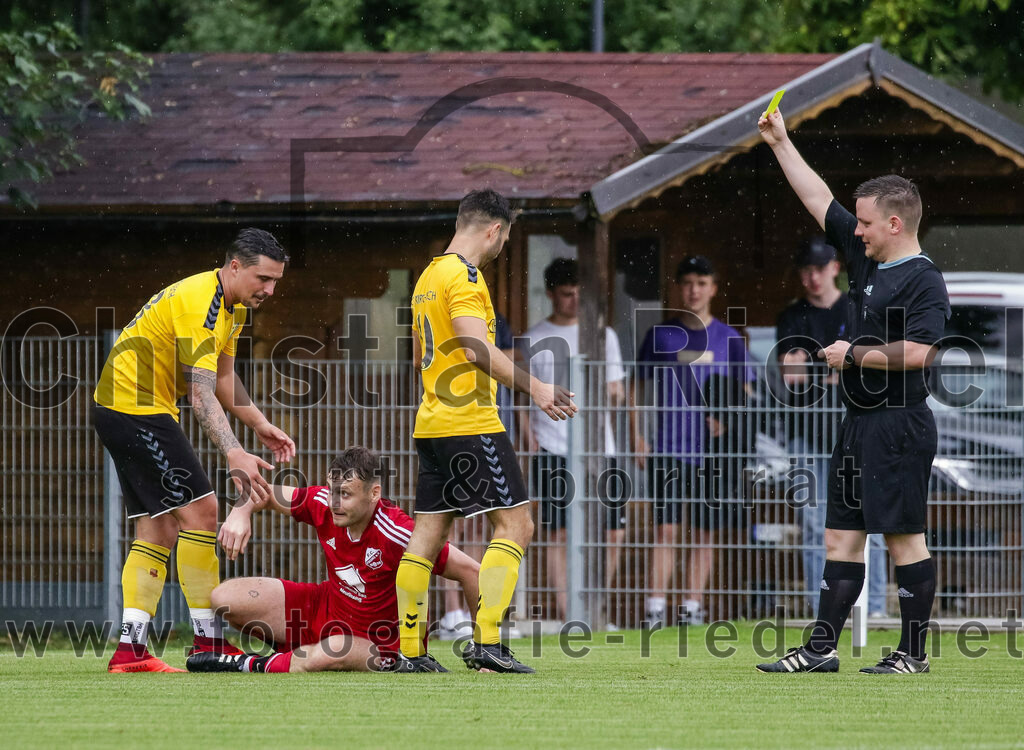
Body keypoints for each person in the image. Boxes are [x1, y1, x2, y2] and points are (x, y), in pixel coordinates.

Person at [756, 109, 949, 674]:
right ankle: (820, 651)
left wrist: (853, 355)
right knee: (840, 537)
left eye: (865, 223)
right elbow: (818, 198)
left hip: (900, 424)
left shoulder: (923, 279)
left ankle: (912, 655)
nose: (855, 231)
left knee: (903, 540)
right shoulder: (868, 261)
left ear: (894, 223)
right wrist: (781, 143)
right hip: (859, 424)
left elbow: (921, 352)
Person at [93, 228, 296, 672]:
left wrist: (259, 426)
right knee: (204, 509)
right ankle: (209, 642)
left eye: (276, 281)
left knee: (158, 530)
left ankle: (131, 652)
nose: (270, 289)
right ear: (235, 266)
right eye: (263, 278)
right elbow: (200, 395)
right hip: (134, 407)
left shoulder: (233, 308)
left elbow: (223, 379)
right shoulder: (201, 301)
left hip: (128, 407)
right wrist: (234, 452)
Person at [397, 188, 577, 673]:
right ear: (495, 230)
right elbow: (477, 348)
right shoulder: (466, 277)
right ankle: (489, 644)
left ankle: (410, 651)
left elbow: (419, 357)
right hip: (470, 422)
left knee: (428, 536)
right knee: (516, 524)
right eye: (506, 236)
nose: (503, 246)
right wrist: (534, 386)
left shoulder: (428, 277)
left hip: (432, 421)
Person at [185, 447, 480, 673]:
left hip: (380, 646)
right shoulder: (322, 502)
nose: (335, 503)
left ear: (374, 493)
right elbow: (262, 493)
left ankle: (245, 664)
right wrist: (241, 512)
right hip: (322, 611)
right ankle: (281, 652)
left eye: (346, 495)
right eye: (332, 492)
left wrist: (484, 645)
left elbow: (471, 571)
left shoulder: (399, 532)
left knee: (334, 649)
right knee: (224, 597)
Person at [632, 256, 754, 626]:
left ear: (713, 288)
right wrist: (637, 434)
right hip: (668, 447)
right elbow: (637, 387)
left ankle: (692, 607)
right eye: (687, 283)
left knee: (704, 531)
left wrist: (728, 420)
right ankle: (655, 608)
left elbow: (746, 391)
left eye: (702, 282)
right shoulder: (661, 335)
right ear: (678, 288)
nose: (694, 290)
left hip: (711, 454)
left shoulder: (730, 338)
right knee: (665, 528)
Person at [776, 239, 888, 618]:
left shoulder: (857, 308)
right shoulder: (792, 317)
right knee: (813, 526)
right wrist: (836, 366)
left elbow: (868, 365)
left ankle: (872, 610)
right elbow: (791, 374)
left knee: (868, 523)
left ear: (835, 269)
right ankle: (820, 610)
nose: (812, 277)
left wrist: (825, 365)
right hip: (806, 436)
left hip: (855, 431)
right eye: (805, 270)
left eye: (819, 269)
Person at [518, 257, 628, 625]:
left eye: (580, 293)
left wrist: (606, 394)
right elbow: (521, 395)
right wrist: (526, 433)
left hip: (601, 448)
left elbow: (617, 390)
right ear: (551, 294)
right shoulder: (533, 338)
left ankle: (595, 610)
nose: (574, 301)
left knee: (613, 533)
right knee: (559, 533)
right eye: (567, 294)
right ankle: (570, 616)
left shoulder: (603, 335)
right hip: (553, 447)